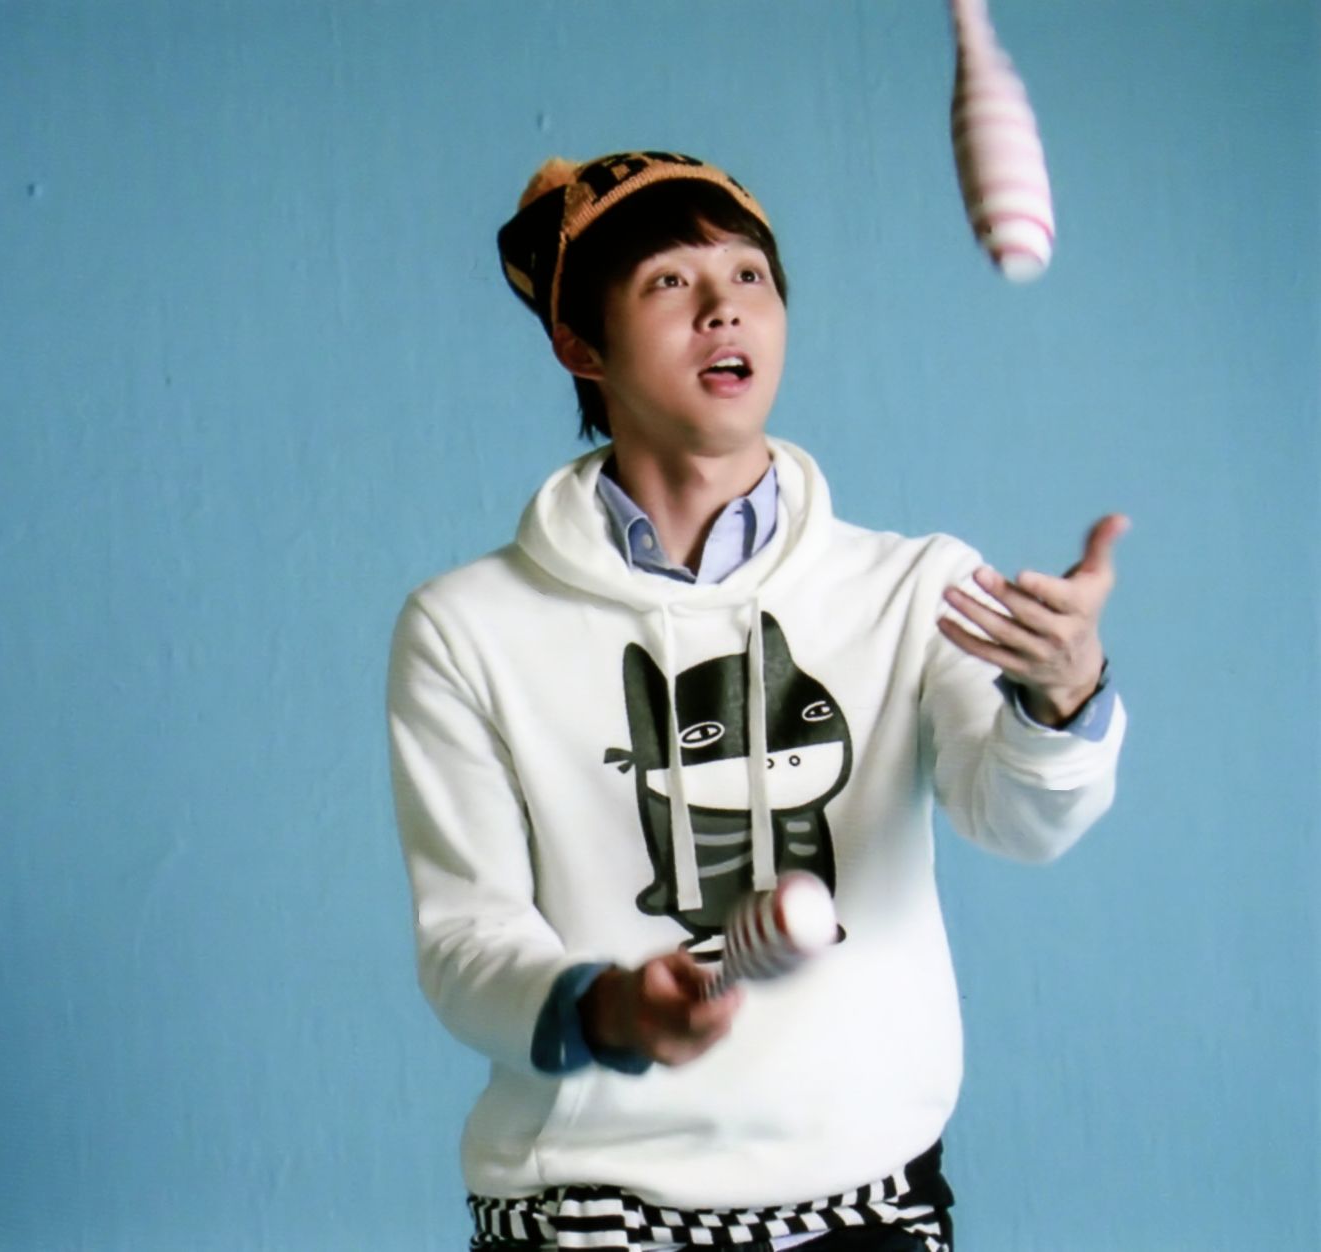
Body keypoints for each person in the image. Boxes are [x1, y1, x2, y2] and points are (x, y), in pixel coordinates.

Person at [386, 150, 1126, 1252]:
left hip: (870, 1205)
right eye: (669, 282)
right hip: (584, 1208)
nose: (723, 307)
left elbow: (1023, 823)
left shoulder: (914, 587)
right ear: (578, 345)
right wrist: (606, 1009)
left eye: (749, 276)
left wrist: (1061, 695)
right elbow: (467, 943)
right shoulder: (465, 627)